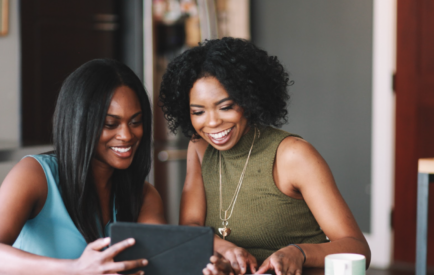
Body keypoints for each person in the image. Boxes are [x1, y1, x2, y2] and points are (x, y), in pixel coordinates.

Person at [159, 37, 371, 275]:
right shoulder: (199, 147)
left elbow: (357, 248)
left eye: (226, 107)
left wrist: (297, 253)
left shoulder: (293, 155)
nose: (212, 122)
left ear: (249, 101)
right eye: (198, 112)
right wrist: (225, 250)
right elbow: (190, 228)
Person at [0, 59, 166, 275]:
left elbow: (159, 264)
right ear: (80, 122)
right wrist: (75, 269)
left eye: (135, 122)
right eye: (110, 124)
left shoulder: (145, 196)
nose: (127, 135)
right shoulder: (35, 175)